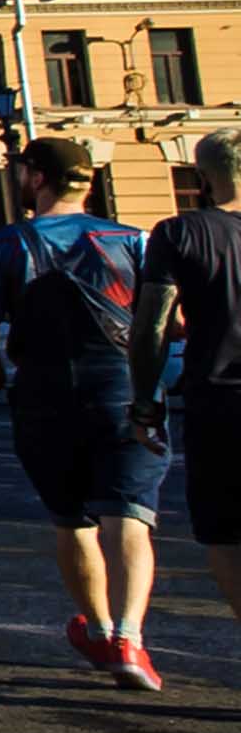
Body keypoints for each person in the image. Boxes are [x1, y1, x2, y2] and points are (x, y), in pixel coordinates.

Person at [0, 133, 163, 687]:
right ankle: (129, 638)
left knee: (72, 519)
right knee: (130, 515)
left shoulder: (3, 246)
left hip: (44, 396)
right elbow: (165, 319)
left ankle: (96, 629)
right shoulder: (134, 242)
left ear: (37, 178)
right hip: (122, 388)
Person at [130, 134, 241, 653]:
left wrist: (146, 403)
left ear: (201, 178)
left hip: (220, 403)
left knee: (225, 533)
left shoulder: (180, 233)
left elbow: (150, 327)